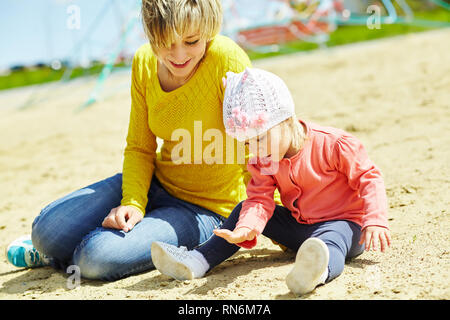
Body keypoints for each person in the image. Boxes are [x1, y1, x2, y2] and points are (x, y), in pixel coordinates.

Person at [6, 0, 260, 281]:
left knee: (95, 259)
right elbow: (140, 147)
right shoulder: (144, 62)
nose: (178, 55)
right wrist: (133, 202)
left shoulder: (227, 59)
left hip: (208, 209)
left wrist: (271, 216)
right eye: (164, 42)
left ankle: (70, 252)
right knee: (46, 232)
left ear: (208, 30)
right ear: (151, 34)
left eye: (191, 41)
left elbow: (257, 143)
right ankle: (58, 250)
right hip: (158, 182)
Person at [151, 67, 392, 296]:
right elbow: (259, 199)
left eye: (261, 138)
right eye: (248, 143)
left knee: (330, 239)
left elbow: (368, 178)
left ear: (287, 119)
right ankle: (199, 260)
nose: (256, 149)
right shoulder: (265, 157)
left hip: (346, 226)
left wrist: (375, 221)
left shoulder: (334, 144)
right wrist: (246, 226)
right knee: (242, 209)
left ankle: (315, 273)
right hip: (300, 227)